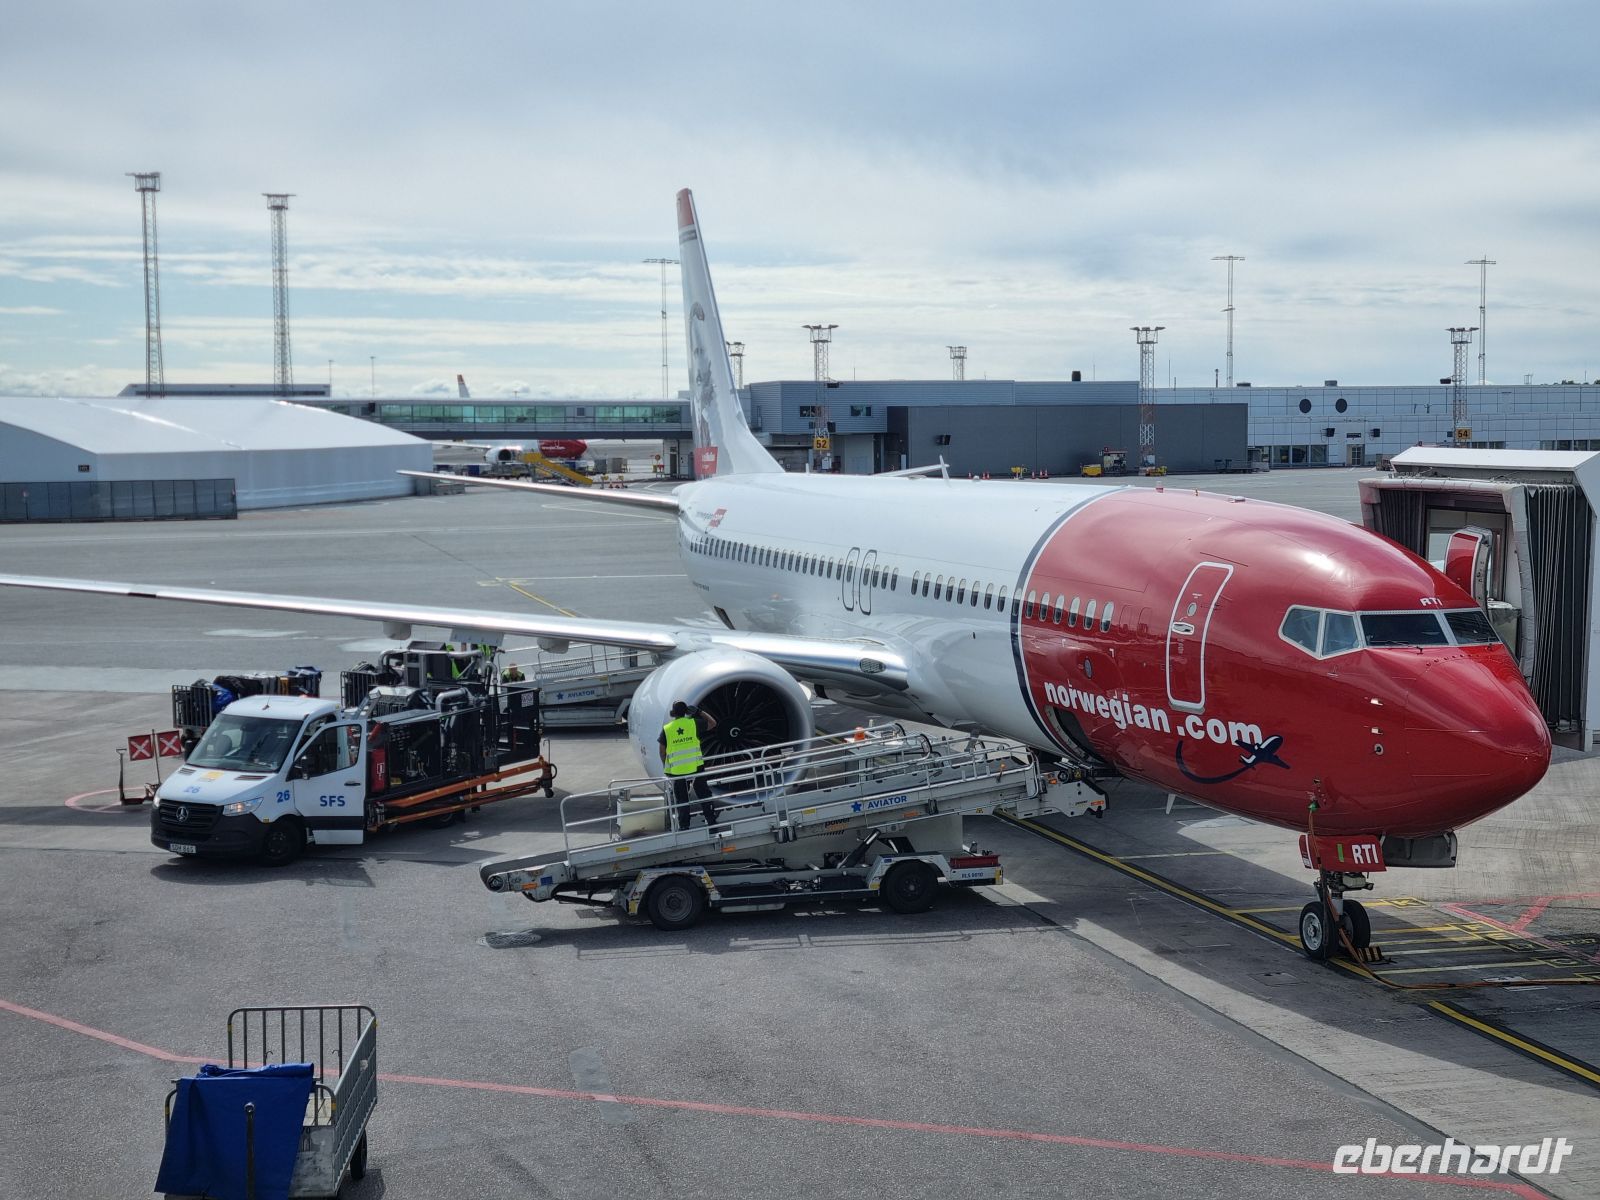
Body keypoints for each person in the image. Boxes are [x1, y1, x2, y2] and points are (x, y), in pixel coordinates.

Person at [659, 700, 719, 829]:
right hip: (696, 767)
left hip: (677, 771)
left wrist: (667, 766)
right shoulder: (693, 724)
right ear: (686, 711)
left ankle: (684, 827)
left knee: (682, 801)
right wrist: (700, 712)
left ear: (673, 713)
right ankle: (712, 823)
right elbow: (713, 723)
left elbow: (662, 751)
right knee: (704, 796)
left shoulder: (667, 729)